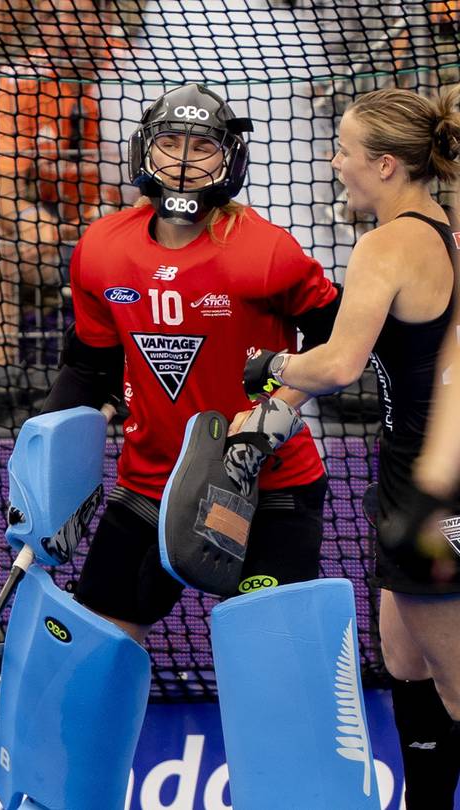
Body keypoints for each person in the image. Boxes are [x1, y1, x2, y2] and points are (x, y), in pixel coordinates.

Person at [31, 83, 341, 799]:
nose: (183, 162)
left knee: (271, 669)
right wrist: (44, 456)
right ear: (146, 150)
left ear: (226, 159)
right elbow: (90, 366)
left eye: (202, 147)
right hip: (149, 487)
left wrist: (280, 404)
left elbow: (337, 343)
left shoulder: (266, 251)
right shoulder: (102, 249)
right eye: (171, 143)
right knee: (101, 651)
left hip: (268, 491)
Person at [238, 86, 460, 808]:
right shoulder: (440, 226)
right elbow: (346, 347)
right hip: (411, 469)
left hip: (436, 487)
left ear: (387, 165)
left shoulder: (388, 242)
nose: (334, 162)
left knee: (458, 684)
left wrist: (269, 368)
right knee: (404, 657)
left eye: (344, 150)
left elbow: (338, 365)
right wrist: (275, 409)